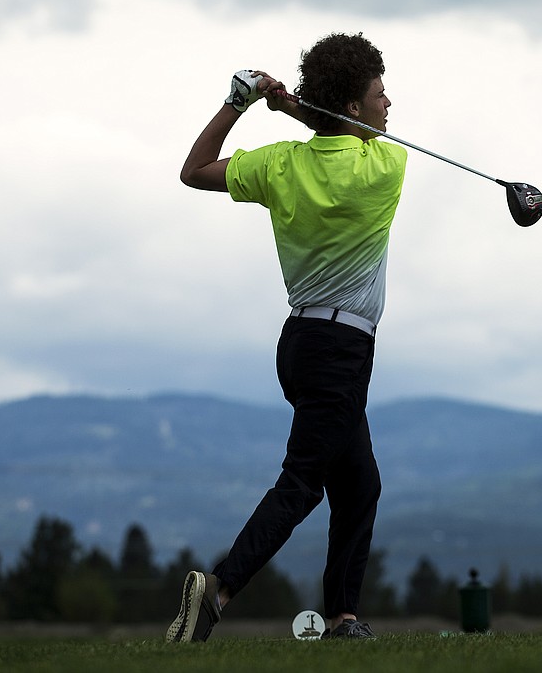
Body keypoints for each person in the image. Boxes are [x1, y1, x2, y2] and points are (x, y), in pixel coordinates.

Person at [165, 33, 408, 642]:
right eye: (379, 95)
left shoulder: (279, 163)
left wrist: (240, 102)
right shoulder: (385, 167)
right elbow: (357, 137)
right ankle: (217, 594)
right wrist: (294, 107)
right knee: (302, 483)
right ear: (353, 109)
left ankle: (343, 618)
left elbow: (194, 170)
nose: (390, 104)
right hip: (343, 352)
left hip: (299, 344)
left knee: (359, 483)